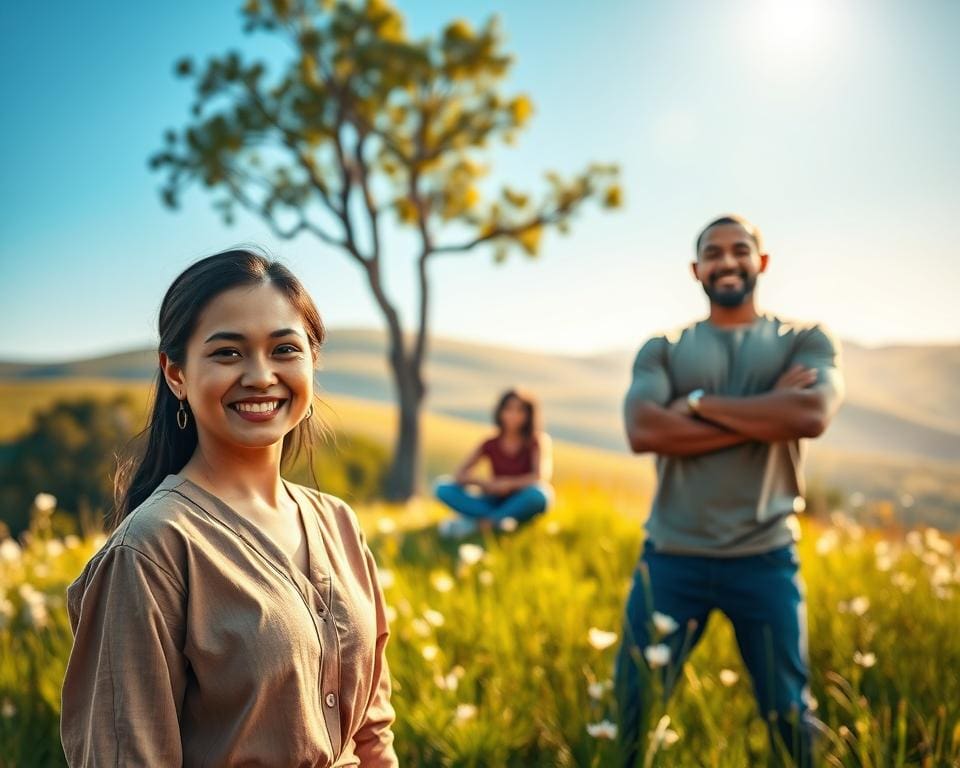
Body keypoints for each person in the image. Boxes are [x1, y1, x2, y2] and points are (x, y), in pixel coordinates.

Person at [60, 248, 398, 767]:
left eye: (285, 349)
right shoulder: (152, 549)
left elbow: (372, 732)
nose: (261, 376)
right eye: (228, 353)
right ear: (175, 373)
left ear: (311, 360)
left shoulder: (338, 523)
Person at [615, 214, 844, 767]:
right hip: (671, 557)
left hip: (764, 557)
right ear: (696, 270)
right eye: (712, 253)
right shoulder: (663, 348)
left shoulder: (804, 341)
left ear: (761, 262)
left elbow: (811, 413)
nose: (726, 261)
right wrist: (766, 409)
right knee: (633, 713)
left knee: (789, 715)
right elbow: (643, 430)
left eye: (739, 249)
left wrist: (692, 404)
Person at [434, 389, 554, 538]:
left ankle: (483, 522)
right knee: (442, 488)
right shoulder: (490, 443)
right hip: (492, 498)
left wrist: (508, 484)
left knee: (540, 495)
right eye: (508, 409)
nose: (513, 415)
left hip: (520, 499)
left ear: (529, 415)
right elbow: (459, 474)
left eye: (520, 411)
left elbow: (539, 477)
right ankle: (499, 522)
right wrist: (485, 484)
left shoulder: (536, 441)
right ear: (500, 412)